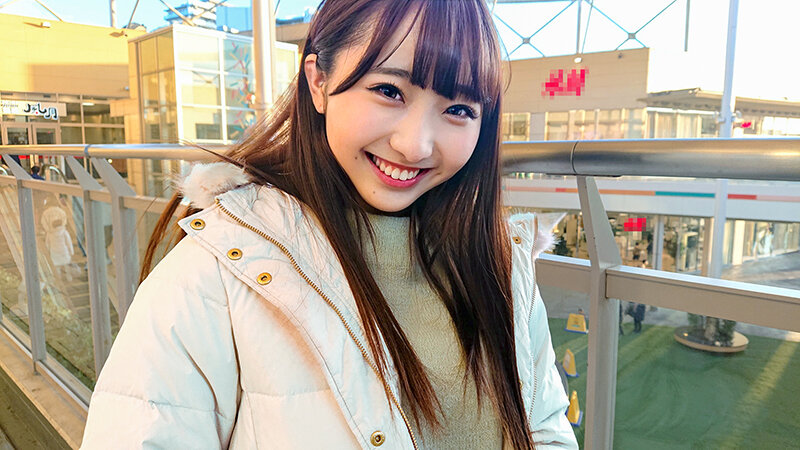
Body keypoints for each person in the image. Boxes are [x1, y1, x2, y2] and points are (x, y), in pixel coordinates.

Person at [81, 1, 578, 449]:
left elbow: (545, 428)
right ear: (318, 82)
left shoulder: (498, 264)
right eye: (389, 90)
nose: (415, 145)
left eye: (458, 110)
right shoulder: (221, 267)